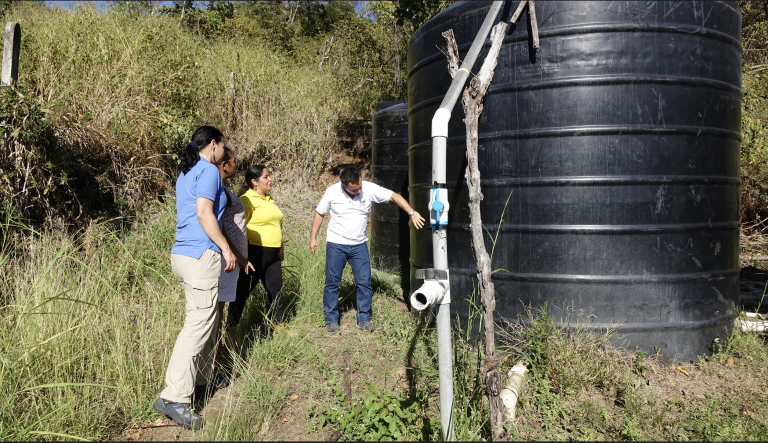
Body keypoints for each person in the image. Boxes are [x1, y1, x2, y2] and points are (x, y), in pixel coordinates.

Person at [153, 126, 236, 430]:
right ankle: (173, 397)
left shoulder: (186, 172)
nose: (224, 152)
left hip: (183, 254)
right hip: (201, 255)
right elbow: (204, 214)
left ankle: (200, 381)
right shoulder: (209, 170)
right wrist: (226, 248)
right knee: (197, 326)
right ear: (213, 145)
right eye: (222, 147)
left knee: (207, 320)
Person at [309, 165, 425, 335]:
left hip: (359, 246)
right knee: (333, 283)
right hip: (336, 245)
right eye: (354, 190)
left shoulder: (367, 188)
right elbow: (320, 213)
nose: (359, 191)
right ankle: (331, 320)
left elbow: (394, 196)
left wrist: (411, 212)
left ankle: (364, 318)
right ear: (344, 185)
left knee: (364, 282)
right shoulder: (332, 192)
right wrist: (313, 237)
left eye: (360, 187)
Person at [212, 146, 253, 385]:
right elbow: (222, 228)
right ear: (224, 164)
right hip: (225, 260)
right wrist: (238, 255)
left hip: (230, 261)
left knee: (220, 311)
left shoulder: (224, 189)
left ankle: (217, 360)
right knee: (215, 314)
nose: (237, 165)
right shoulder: (217, 190)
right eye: (234, 162)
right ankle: (215, 365)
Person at [228, 164, 285, 329]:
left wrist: (280, 245)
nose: (270, 179)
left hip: (273, 254)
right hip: (254, 253)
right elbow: (236, 227)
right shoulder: (246, 200)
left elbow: (275, 225)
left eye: (269, 176)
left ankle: (278, 327)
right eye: (266, 177)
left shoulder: (269, 199)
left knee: (276, 291)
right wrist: (239, 254)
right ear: (254, 181)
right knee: (242, 292)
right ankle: (231, 327)